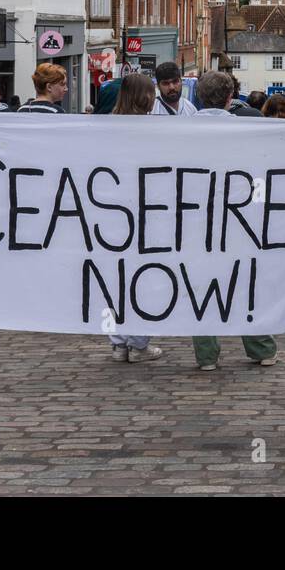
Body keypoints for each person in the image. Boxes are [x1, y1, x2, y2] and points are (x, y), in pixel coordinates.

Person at [189, 71, 279, 370]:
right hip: (238, 216)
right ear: (230, 97)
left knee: (201, 285)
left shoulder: (183, 129)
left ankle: (206, 356)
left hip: (196, 217)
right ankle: (261, 348)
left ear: (200, 97)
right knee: (244, 282)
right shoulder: (244, 128)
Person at [103, 74, 165, 363]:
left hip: (112, 213)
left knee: (115, 279)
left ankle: (118, 344)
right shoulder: (153, 129)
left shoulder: (107, 127)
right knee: (146, 278)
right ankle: (139, 343)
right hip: (146, 212)